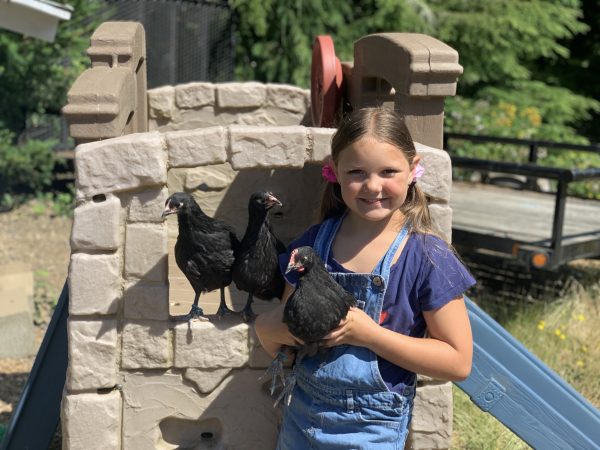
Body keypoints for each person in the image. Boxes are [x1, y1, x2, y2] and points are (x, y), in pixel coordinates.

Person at [254, 107, 475, 449]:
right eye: (357, 171)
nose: (373, 186)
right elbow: (285, 335)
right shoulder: (313, 245)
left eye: (388, 171)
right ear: (336, 172)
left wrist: (370, 335)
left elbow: (458, 362)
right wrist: (265, 328)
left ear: (413, 169)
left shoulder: (427, 257)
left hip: (373, 431)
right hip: (302, 420)